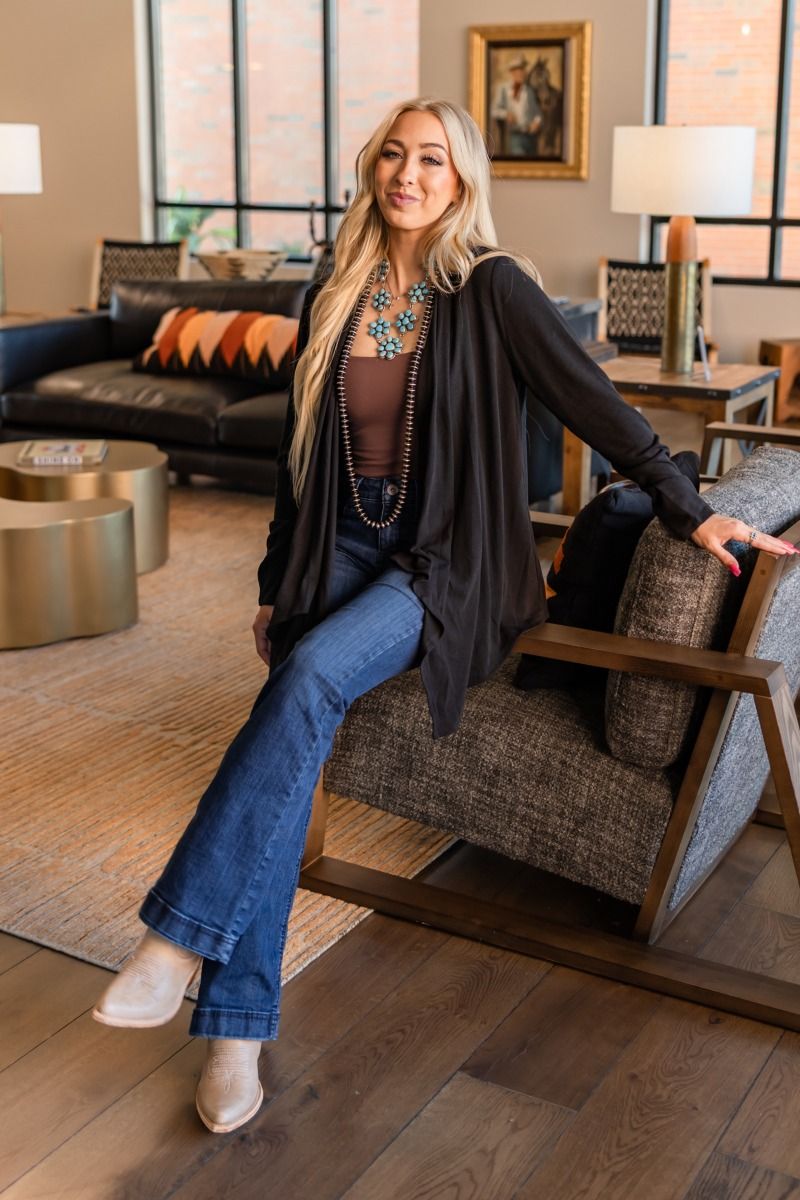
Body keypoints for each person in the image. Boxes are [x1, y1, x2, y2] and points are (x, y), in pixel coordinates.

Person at [91, 97, 798, 1135]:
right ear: (371, 168)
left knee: (308, 678)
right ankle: (235, 1029)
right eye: (393, 154)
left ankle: (172, 944)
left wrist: (691, 510)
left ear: (461, 178)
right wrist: (275, 580)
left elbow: (593, 403)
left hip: (445, 564)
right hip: (336, 544)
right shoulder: (335, 292)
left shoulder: (491, 287)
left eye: (431, 158)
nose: (407, 174)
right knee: (290, 725)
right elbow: (298, 464)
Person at [490, 54, 543, 156]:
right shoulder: (503, 89)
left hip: (530, 136)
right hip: (514, 136)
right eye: (519, 71)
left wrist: (536, 122)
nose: (522, 74)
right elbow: (494, 110)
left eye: (523, 70)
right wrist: (506, 114)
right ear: (512, 73)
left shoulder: (529, 91)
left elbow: (538, 113)